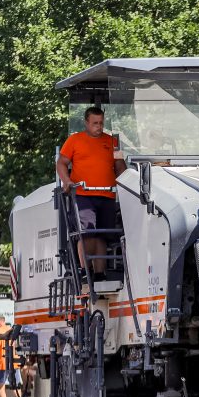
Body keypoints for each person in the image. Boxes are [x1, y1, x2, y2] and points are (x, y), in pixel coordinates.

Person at [55, 106, 126, 282]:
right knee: (86, 232)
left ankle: (100, 273)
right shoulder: (75, 140)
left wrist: (126, 179)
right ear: (86, 122)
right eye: (95, 123)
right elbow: (61, 163)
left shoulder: (111, 142)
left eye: (101, 123)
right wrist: (67, 182)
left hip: (107, 195)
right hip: (82, 194)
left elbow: (120, 168)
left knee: (103, 234)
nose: (99, 126)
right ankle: (85, 270)